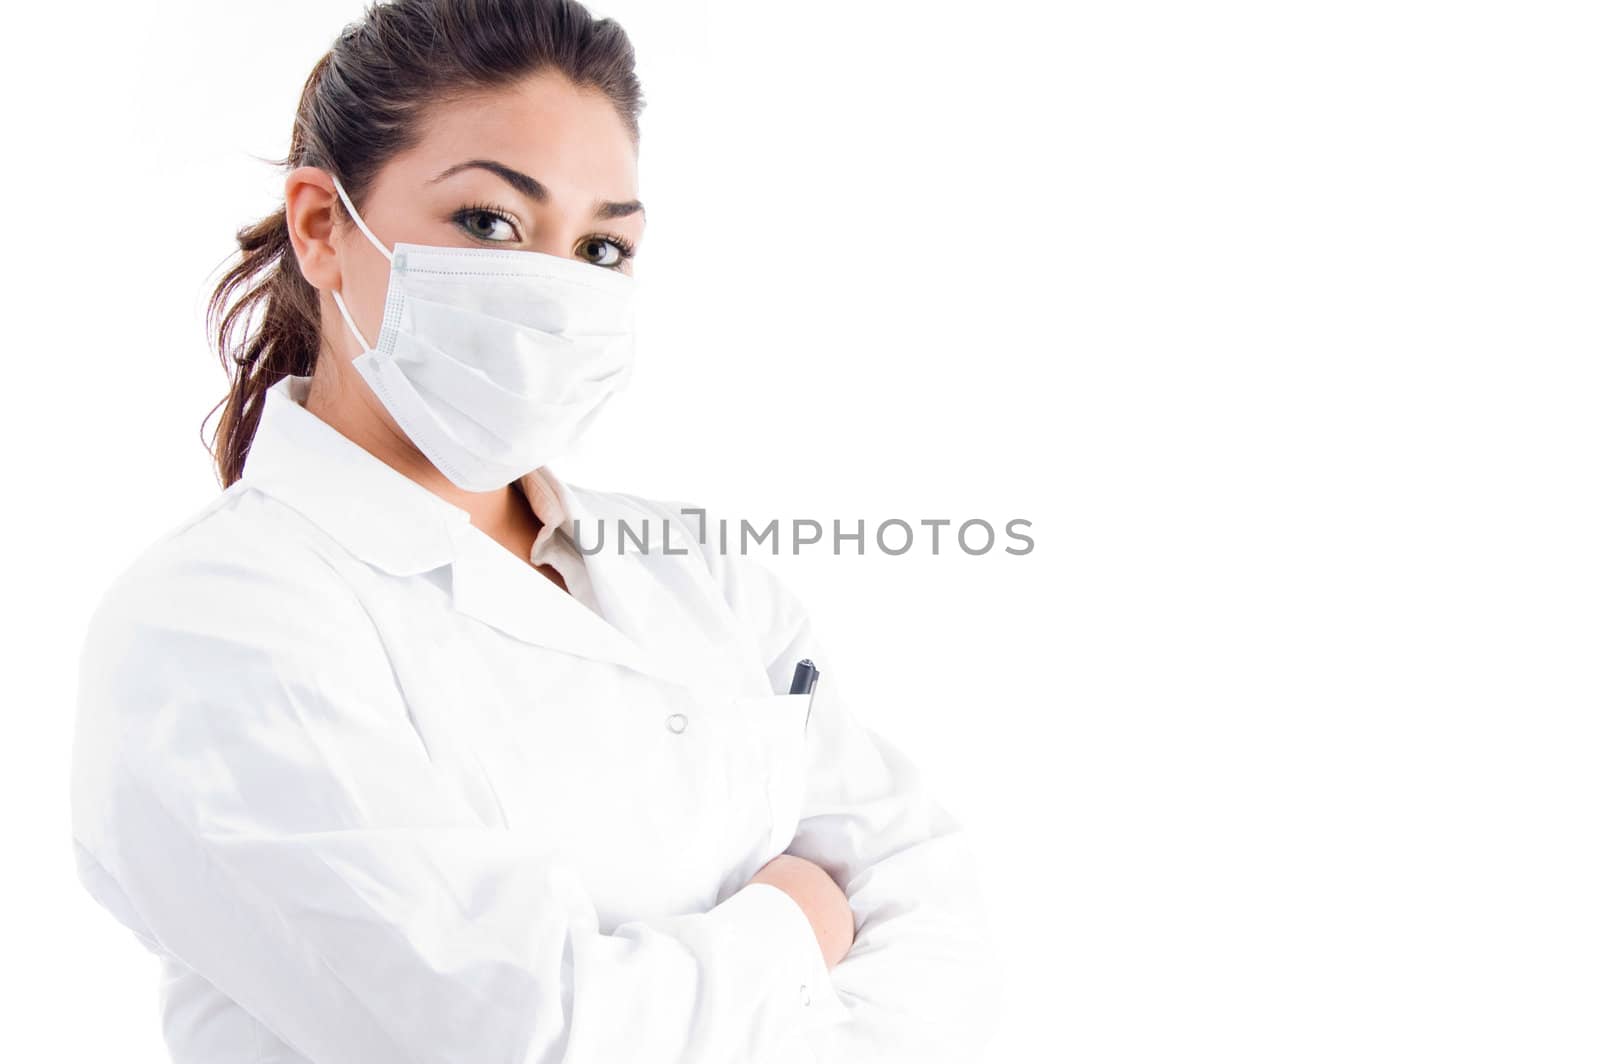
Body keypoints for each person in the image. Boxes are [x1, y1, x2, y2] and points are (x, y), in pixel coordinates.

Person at [69, 1, 996, 1062]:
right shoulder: (214, 623)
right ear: (323, 228)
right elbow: (520, 1036)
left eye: (603, 245)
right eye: (491, 222)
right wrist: (796, 914)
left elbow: (936, 912)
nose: (557, 288)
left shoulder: (697, 570)